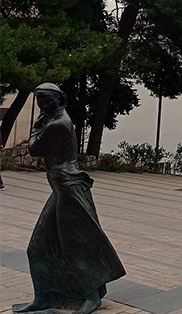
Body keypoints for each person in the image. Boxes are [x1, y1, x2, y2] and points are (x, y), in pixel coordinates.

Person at [15, 83, 125, 314]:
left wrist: (36, 125)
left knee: (77, 246)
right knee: (37, 247)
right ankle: (45, 297)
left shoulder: (59, 123)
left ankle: (91, 298)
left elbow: (34, 148)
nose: (43, 106)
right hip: (60, 187)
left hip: (69, 189)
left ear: (60, 100)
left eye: (47, 101)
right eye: (39, 101)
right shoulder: (54, 119)